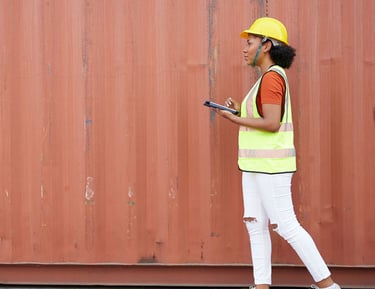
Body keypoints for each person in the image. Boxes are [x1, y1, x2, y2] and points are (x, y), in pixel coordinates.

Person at [214, 17, 341, 289]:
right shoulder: (266, 79)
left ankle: (329, 287)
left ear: (267, 45)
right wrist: (240, 109)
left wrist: (234, 120)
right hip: (255, 167)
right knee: (255, 223)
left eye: (249, 43)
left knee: (285, 225)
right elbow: (264, 116)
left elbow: (272, 124)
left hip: (271, 168)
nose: (244, 48)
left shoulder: (271, 79)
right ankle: (262, 286)